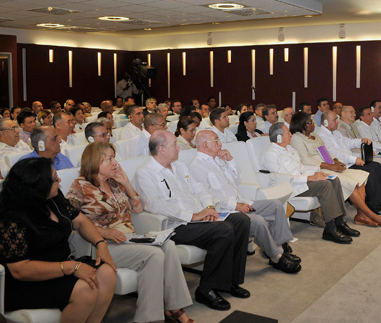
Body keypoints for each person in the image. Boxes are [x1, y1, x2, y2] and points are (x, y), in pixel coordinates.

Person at [66, 142, 195, 323]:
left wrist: (126, 183)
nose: (115, 163)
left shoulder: (115, 183)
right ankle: (149, 318)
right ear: (95, 161)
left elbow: (138, 208)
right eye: (109, 159)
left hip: (129, 238)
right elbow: (69, 221)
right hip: (100, 244)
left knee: (169, 245)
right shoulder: (80, 186)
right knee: (154, 255)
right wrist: (103, 232)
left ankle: (174, 306)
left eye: (114, 157)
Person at [133, 131, 251, 311]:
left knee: (241, 221)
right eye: (174, 144)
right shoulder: (145, 172)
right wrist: (194, 216)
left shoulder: (178, 166)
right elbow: (156, 205)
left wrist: (209, 207)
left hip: (199, 217)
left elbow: (200, 188)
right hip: (176, 224)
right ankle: (206, 289)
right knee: (224, 230)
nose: (179, 147)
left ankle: (230, 282)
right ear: (162, 149)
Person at [0, 157, 117, 321]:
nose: (60, 180)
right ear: (39, 186)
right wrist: (71, 267)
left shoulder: (54, 198)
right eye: (55, 179)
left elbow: (81, 221)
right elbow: (20, 270)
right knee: (86, 288)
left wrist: (101, 244)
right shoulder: (12, 217)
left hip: (63, 266)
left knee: (108, 273)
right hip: (28, 282)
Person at [190, 130, 301, 273]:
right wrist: (236, 205)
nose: (220, 143)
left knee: (276, 205)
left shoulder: (217, 159)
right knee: (258, 220)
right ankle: (277, 256)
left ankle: (278, 246)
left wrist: (230, 160)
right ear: (205, 145)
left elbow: (237, 180)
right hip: (226, 210)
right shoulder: (197, 166)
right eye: (216, 141)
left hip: (241, 201)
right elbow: (207, 198)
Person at [262, 123, 359, 244]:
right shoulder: (271, 154)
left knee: (333, 179)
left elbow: (301, 167)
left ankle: (339, 222)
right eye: (288, 133)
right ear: (279, 138)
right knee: (325, 185)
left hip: (302, 180)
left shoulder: (289, 148)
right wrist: (309, 178)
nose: (291, 134)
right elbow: (284, 178)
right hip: (291, 186)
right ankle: (330, 228)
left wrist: (318, 173)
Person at [290, 111, 381, 226]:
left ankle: (361, 215)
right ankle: (372, 215)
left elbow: (326, 153)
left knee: (361, 179)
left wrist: (336, 161)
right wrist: (330, 166)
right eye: (310, 122)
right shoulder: (297, 138)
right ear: (302, 124)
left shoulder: (315, 136)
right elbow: (305, 160)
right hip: (317, 169)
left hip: (329, 165)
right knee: (351, 183)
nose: (313, 124)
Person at [317, 111, 381, 216]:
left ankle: (380, 201)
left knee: (376, 166)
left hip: (349, 161)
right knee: (371, 169)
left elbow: (348, 142)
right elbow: (335, 153)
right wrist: (354, 159)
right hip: (342, 165)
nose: (337, 121)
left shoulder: (336, 132)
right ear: (325, 122)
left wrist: (361, 140)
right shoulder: (321, 135)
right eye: (334, 120)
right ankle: (373, 206)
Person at [338, 106, 381, 182]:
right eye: (351, 112)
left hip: (363, 154)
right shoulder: (340, 128)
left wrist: (367, 151)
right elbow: (346, 146)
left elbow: (362, 142)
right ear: (343, 114)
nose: (354, 114)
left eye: (354, 112)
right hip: (355, 157)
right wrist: (365, 153)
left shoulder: (353, 125)